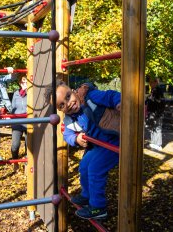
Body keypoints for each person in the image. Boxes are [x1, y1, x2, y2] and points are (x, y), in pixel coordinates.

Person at [45, 80, 120, 220]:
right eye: (62, 105)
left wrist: (119, 102)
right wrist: (76, 139)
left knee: (95, 168)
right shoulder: (69, 119)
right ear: (60, 110)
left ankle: (98, 207)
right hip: (100, 145)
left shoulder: (90, 97)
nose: (68, 103)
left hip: (115, 141)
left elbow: (110, 96)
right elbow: (66, 134)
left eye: (68, 96)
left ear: (73, 90)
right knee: (84, 166)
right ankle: (87, 195)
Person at [11, 75, 27, 170]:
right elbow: (13, 107)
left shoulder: (31, 94)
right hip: (17, 121)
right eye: (23, 82)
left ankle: (27, 163)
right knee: (15, 145)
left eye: (26, 82)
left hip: (27, 121)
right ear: (20, 83)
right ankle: (15, 161)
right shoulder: (16, 93)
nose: (24, 84)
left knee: (28, 144)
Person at [145, 77, 165, 151]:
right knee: (152, 127)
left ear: (156, 82)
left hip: (157, 112)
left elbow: (159, 102)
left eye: (151, 83)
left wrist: (149, 99)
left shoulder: (158, 90)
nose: (150, 84)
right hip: (153, 112)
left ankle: (158, 145)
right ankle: (154, 143)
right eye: (149, 83)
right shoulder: (153, 90)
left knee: (157, 128)